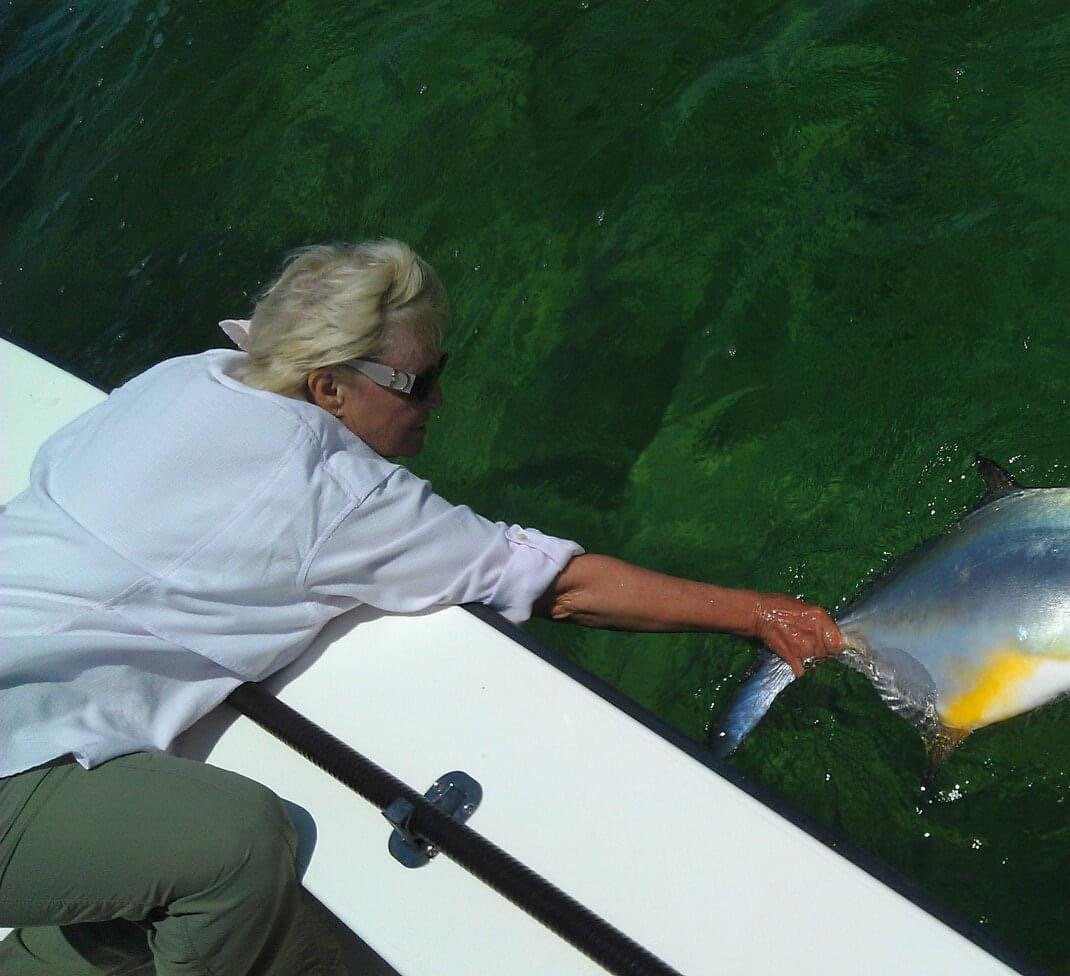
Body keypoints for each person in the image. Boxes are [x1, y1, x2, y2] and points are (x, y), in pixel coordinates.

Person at [0, 239, 845, 975]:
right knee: (236, 847)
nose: (438, 404)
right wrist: (760, 613)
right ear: (329, 389)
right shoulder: (329, 491)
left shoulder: (188, 379)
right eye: (420, 383)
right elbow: (559, 584)